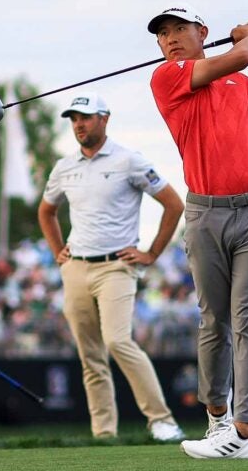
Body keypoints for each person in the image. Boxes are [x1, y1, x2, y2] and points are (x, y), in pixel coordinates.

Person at [146, 4, 248, 458]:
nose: (170, 38)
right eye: (162, 34)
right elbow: (239, 56)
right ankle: (218, 418)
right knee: (213, 320)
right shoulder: (168, 76)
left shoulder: (236, 80)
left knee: (247, 318)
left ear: (202, 32)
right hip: (204, 214)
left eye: (180, 29)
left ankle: (243, 432)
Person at [37, 92, 186, 442]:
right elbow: (46, 211)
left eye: (85, 118)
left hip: (116, 267)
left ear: (104, 119)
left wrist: (150, 253)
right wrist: (58, 250)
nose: (79, 125)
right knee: (90, 356)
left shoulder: (129, 161)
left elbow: (173, 204)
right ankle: (104, 433)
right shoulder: (64, 167)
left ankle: (162, 420)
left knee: (118, 341)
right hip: (76, 268)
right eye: (74, 119)